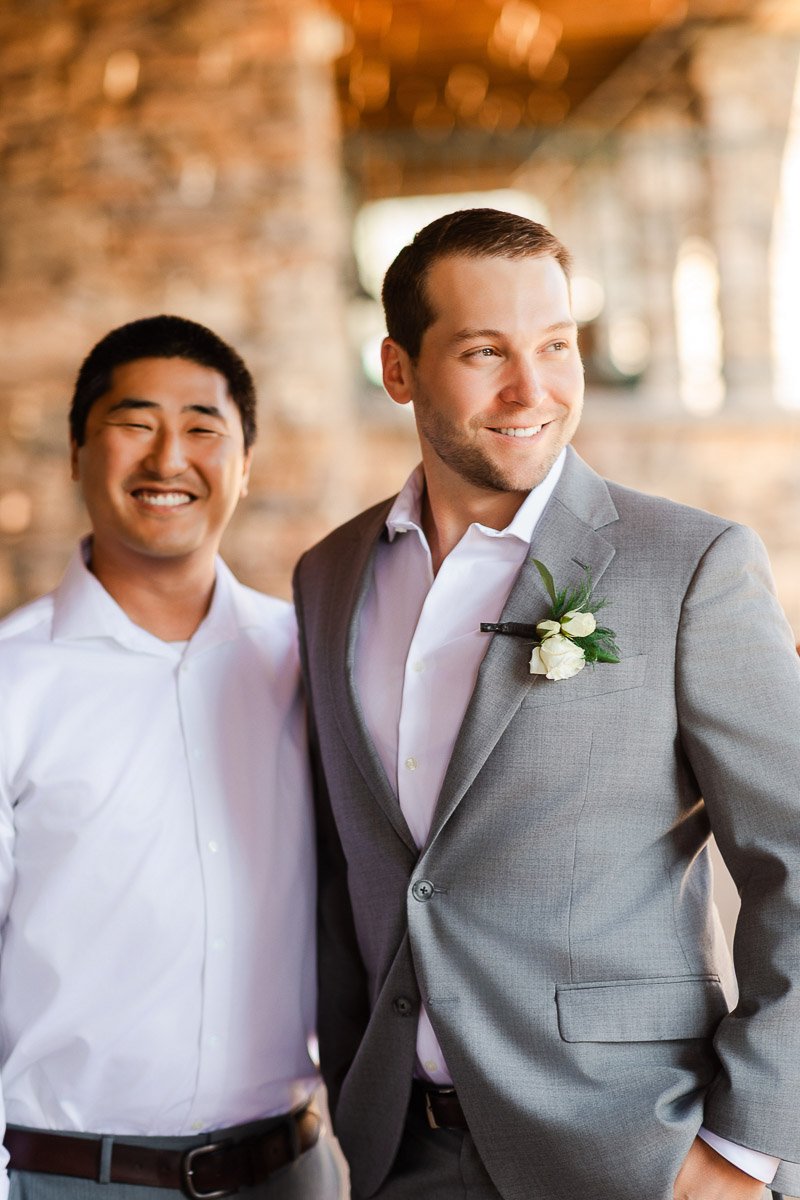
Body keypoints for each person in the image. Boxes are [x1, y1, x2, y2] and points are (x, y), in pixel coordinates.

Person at [292, 209, 800, 1200]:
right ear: (397, 370)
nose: (533, 391)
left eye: (557, 346)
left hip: (637, 1150)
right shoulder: (328, 577)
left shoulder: (689, 565)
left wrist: (743, 1148)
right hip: (400, 1157)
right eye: (484, 352)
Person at [0, 316, 341, 1200]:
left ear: (245, 464)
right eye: (133, 423)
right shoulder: (14, 680)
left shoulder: (309, 662)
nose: (168, 458)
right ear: (77, 452)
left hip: (291, 1171)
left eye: (202, 429)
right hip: (66, 1178)